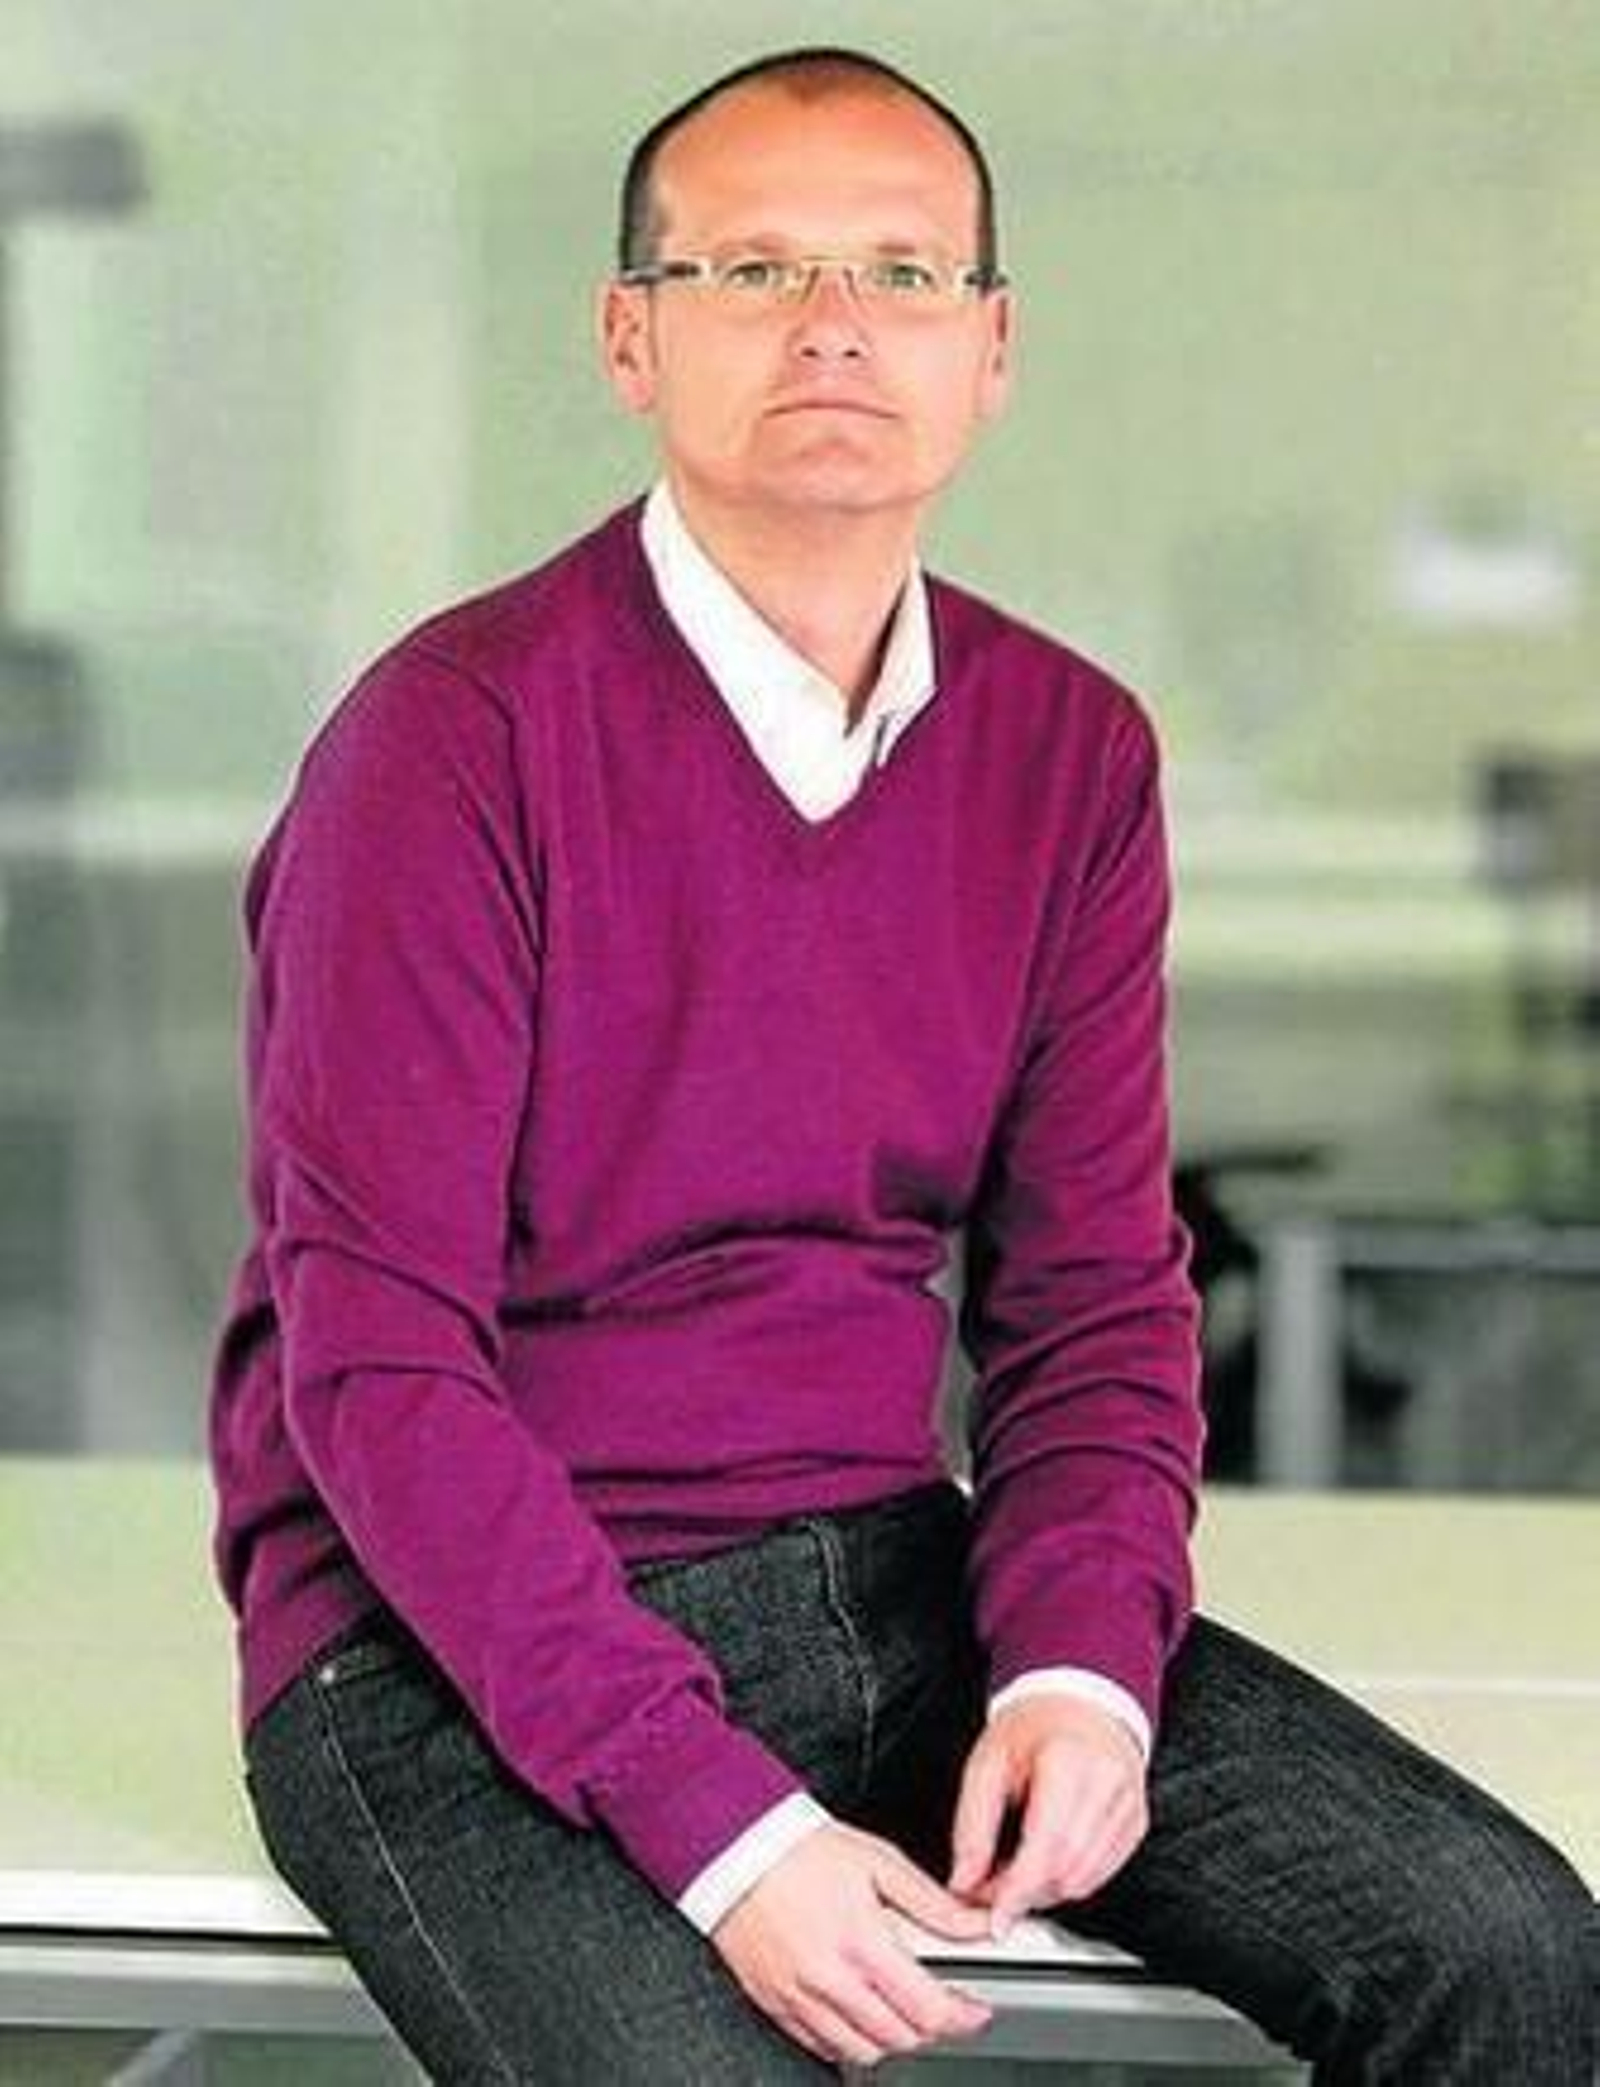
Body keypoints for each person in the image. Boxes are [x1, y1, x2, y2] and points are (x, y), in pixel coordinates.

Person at [209, 45, 1598, 2083]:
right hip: (437, 1641)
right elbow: (377, 1370)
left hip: (889, 1566)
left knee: (1507, 1952)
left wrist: (1078, 1673)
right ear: (628, 336)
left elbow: (1092, 1304)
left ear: (990, 349)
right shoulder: (450, 742)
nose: (834, 325)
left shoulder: (1065, 751)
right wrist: (721, 1829)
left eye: (902, 273)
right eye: (752, 270)